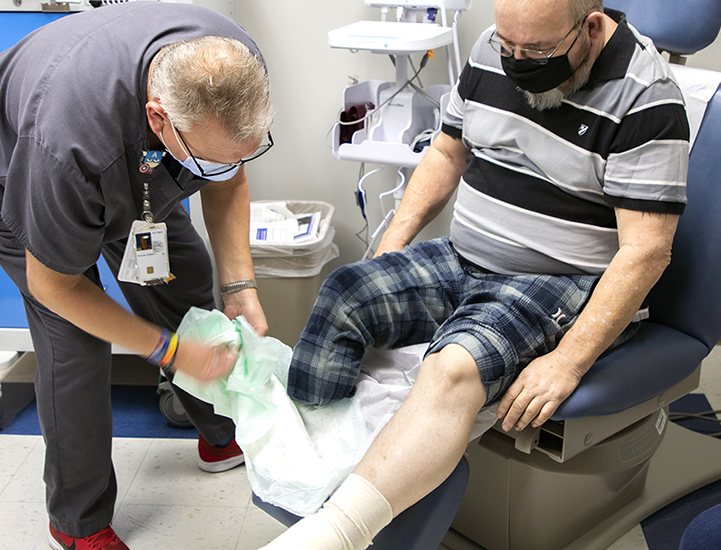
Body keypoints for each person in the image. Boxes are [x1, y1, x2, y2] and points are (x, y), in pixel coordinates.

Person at [261, 0, 688, 548]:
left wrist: (567, 360)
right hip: (463, 257)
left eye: (535, 50)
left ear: (591, 24)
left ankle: (338, 533)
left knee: (451, 367)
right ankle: (315, 475)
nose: (516, 60)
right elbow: (446, 153)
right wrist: (390, 245)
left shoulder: (647, 95)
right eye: (509, 46)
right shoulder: (493, 48)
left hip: (556, 279)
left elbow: (646, 252)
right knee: (346, 291)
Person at [0, 3, 274, 549]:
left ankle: (219, 432)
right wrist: (169, 353)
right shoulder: (66, 147)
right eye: (209, 159)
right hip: (13, 166)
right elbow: (56, 285)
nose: (224, 166)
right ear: (159, 119)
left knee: (181, 279)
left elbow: (227, 178)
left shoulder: (232, 71)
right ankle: (78, 521)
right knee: (73, 340)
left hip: (141, 158)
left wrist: (240, 287)